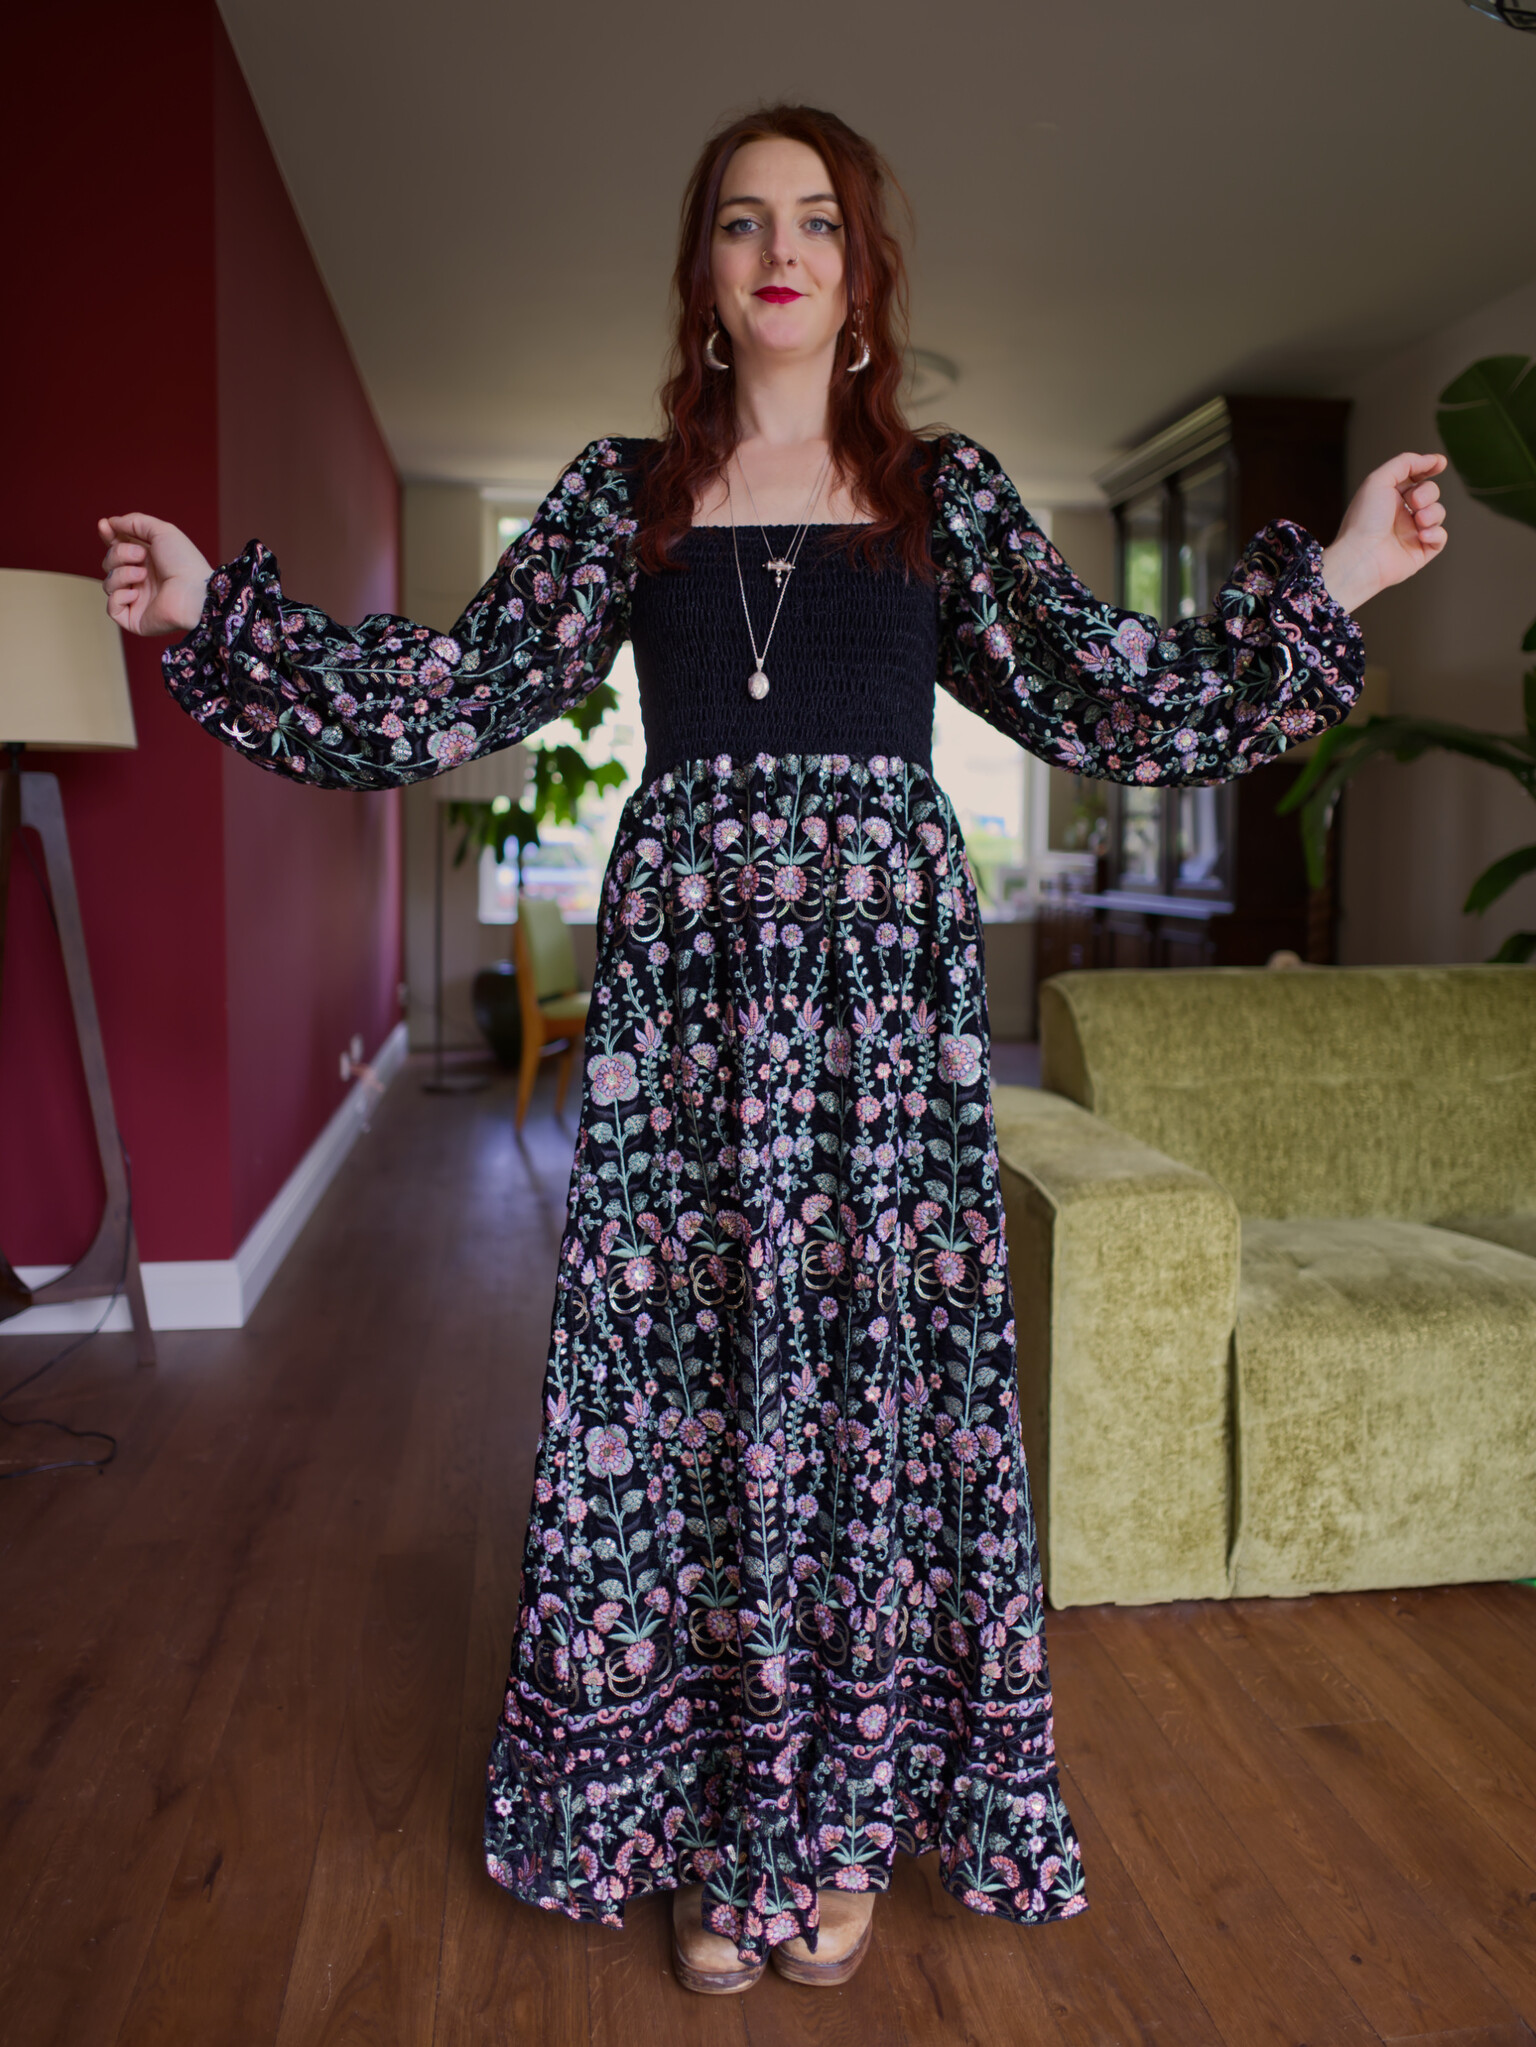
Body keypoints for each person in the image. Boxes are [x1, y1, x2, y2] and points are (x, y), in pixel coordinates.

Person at [100, 103, 1447, 1998]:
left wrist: (1346, 578)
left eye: (817, 219)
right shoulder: (621, 494)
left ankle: (837, 1824)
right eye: (743, 221)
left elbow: (1115, 694)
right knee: (695, 1393)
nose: (783, 248)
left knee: (861, 1397)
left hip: (883, 1020)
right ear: (706, 272)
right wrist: (214, 619)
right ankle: (711, 1821)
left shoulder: (945, 494)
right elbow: (453, 688)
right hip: (691, 1006)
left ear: (863, 270)